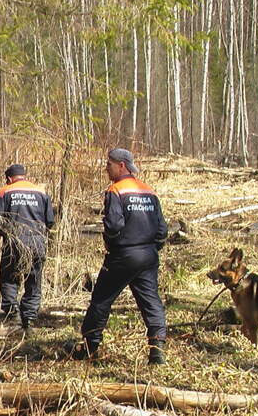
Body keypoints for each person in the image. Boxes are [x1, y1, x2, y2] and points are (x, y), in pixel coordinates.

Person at [68, 148, 168, 365]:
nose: (106, 168)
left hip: (123, 254)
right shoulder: (148, 191)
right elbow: (162, 229)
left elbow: (113, 225)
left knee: (101, 300)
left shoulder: (116, 190)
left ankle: (89, 347)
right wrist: (152, 248)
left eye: (109, 164)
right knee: (151, 302)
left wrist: (113, 244)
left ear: (121, 165)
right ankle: (157, 350)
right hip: (148, 255)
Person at [0, 164, 54, 332]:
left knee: (8, 277)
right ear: (24, 176)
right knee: (34, 279)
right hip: (38, 241)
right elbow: (50, 221)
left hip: (14, 241)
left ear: (9, 178)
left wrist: (7, 235)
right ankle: (30, 317)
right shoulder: (40, 192)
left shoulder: (5, 192)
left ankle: (13, 314)